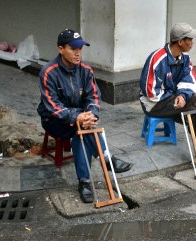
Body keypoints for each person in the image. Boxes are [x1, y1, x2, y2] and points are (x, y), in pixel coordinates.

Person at [37, 29, 132, 203]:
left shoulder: (86, 70)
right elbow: (53, 107)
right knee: (80, 128)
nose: (78, 52)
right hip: (53, 119)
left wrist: (90, 114)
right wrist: (78, 117)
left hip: (80, 119)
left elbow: (93, 97)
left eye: (80, 48)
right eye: (73, 48)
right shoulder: (48, 72)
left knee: (81, 130)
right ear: (60, 49)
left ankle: (85, 182)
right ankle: (106, 159)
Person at [139, 23, 196, 172]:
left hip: (172, 99)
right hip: (155, 104)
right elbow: (150, 91)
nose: (193, 42)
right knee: (194, 107)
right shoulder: (157, 59)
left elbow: (190, 80)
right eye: (190, 39)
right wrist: (175, 96)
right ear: (180, 41)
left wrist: (182, 95)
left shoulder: (185, 58)